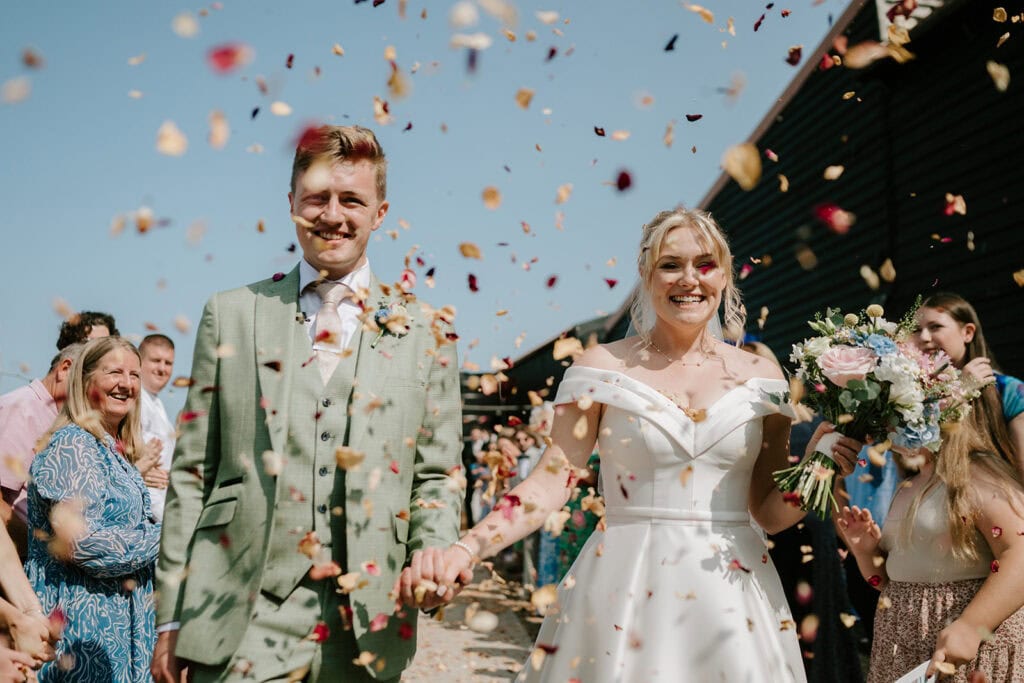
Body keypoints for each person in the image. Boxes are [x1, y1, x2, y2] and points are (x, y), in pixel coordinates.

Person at [411, 207, 860, 682]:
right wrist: (466, 548)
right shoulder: (600, 366)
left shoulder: (764, 378)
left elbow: (769, 514)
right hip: (624, 587)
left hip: (734, 593)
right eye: (670, 265)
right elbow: (548, 483)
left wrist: (817, 469)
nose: (689, 279)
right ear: (647, 276)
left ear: (724, 275)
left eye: (704, 264)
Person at [151, 125, 464, 683]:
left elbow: (436, 475)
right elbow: (192, 475)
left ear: (380, 212)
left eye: (352, 200)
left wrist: (432, 551)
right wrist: (169, 617)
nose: (333, 215)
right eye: (317, 198)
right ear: (292, 204)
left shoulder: (426, 331)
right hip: (239, 611)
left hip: (369, 615)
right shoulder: (231, 313)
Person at [839, 422, 1024, 682]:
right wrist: (866, 552)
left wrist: (972, 627)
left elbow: (1019, 551)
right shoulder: (911, 482)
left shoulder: (976, 473)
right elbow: (891, 585)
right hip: (905, 655)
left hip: (965, 656)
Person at [25, 336, 160, 682]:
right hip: (80, 637)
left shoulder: (108, 449)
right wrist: (168, 534)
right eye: (114, 372)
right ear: (85, 381)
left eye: (134, 375)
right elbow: (82, 544)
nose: (126, 384)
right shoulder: (73, 444)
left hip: (117, 634)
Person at [914, 292, 1024, 473]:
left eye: (935, 327)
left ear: (967, 332)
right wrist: (959, 392)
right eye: (917, 329)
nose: (924, 337)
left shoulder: (1010, 392)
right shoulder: (908, 395)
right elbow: (913, 467)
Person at [0, 343, 80, 558]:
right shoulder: (22, 410)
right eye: (86, 383)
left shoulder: (54, 416)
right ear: (65, 369)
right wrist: (42, 551)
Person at [137, 334, 176, 521]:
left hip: (162, 507)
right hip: (148, 512)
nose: (162, 368)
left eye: (168, 363)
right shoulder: (136, 400)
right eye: (155, 361)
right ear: (139, 362)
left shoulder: (157, 405)